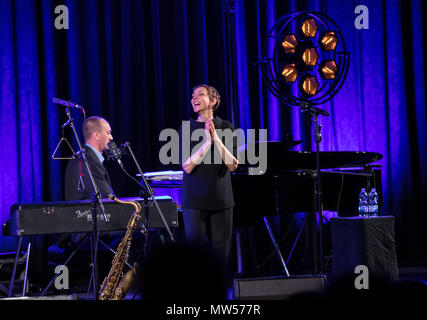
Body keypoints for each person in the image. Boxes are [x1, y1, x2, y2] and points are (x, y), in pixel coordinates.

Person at [179, 84, 239, 276]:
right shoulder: (186, 128)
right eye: (192, 95)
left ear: (213, 101)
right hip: (194, 202)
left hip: (221, 200)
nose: (194, 98)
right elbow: (187, 166)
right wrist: (207, 142)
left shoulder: (226, 127)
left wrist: (216, 139)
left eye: (200, 94)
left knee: (220, 256)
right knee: (195, 257)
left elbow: (233, 165)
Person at [64, 116, 114, 201]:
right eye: (108, 133)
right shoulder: (90, 161)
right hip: (87, 213)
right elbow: (108, 197)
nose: (111, 138)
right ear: (97, 135)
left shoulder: (77, 158)